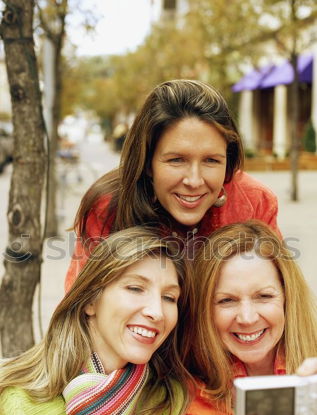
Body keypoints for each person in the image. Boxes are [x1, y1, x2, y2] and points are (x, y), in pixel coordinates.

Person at [0, 227, 194, 415]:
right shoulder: (14, 401)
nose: (156, 312)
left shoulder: (164, 401)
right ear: (91, 301)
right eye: (135, 288)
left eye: (169, 297)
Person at [65, 79, 281, 292]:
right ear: (147, 162)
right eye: (176, 160)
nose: (194, 181)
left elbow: (278, 300)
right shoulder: (107, 206)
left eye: (211, 160)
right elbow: (81, 312)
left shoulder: (255, 202)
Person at [177, 220, 317, 415]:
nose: (247, 317)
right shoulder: (194, 399)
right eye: (226, 300)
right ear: (205, 311)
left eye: (264, 296)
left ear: (287, 298)